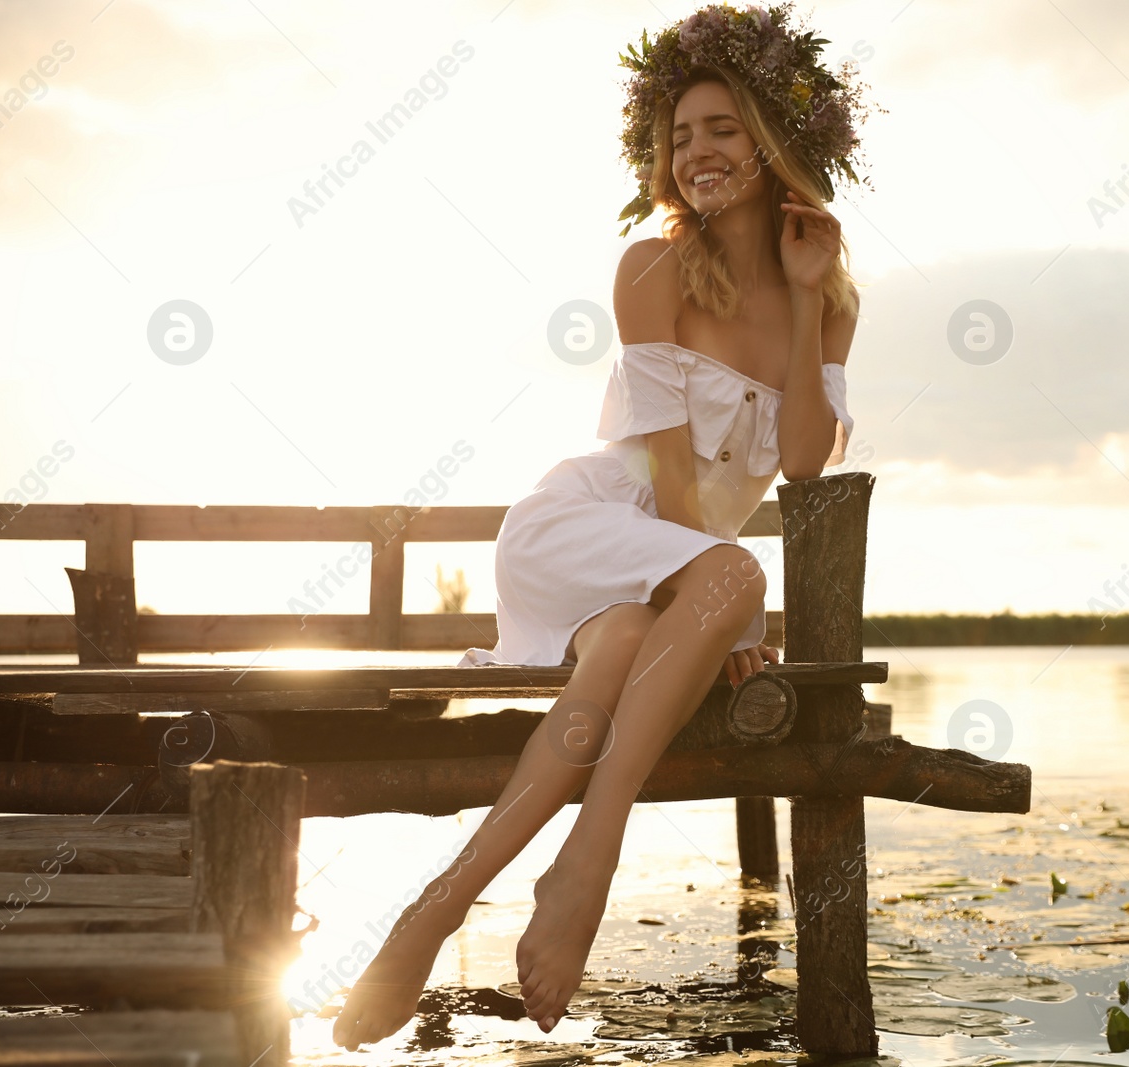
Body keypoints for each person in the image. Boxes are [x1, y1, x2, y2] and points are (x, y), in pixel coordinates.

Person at [330, 2, 878, 1050]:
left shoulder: (834, 300)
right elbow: (670, 474)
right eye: (679, 136)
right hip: (584, 524)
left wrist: (808, 303)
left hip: (664, 580)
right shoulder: (651, 267)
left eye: (720, 128)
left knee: (626, 646)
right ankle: (590, 860)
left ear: (774, 142)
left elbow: (804, 460)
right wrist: (718, 594)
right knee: (728, 578)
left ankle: (434, 906)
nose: (696, 152)